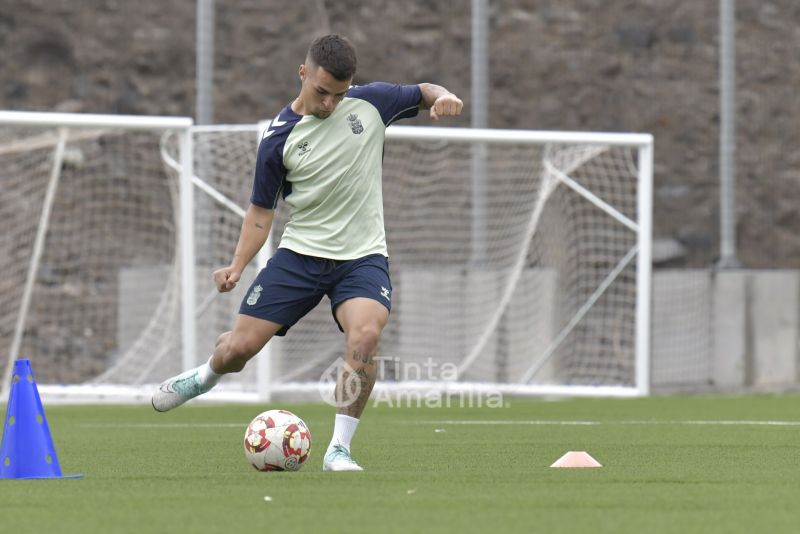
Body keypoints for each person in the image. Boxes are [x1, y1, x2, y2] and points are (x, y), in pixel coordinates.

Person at [152, 34, 463, 471]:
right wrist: (237, 266)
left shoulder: (372, 103)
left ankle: (339, 448)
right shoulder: (279, 139)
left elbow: (423, 91)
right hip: (299, 256)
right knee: (238, 350)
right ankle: (204, 376)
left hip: (362, 257)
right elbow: (261, 213)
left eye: (339, 94)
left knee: (366, 335)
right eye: (321, 93)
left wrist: (443, 96)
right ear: (303, 73)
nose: (330, 104)